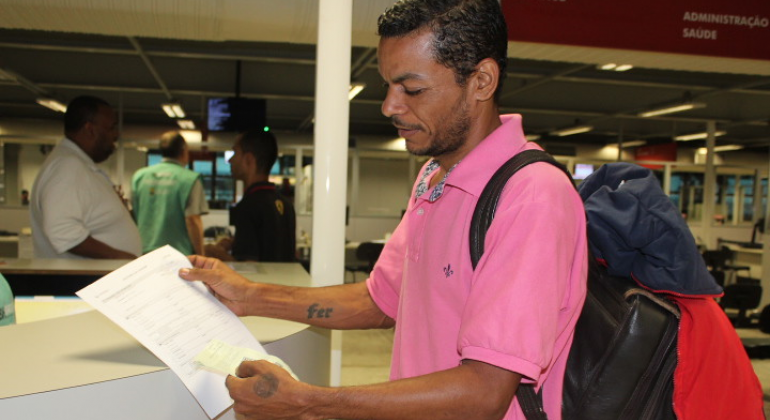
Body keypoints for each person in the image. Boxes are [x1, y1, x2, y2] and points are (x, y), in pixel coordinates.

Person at [180, 1, 588, 419]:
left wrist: (310, 403)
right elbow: (380, 301)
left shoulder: (532, 196)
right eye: (388, 85)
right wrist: (249, 296)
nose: (390, 106)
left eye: (412, 89)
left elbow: (485, 392)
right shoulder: (434, 175)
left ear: (481, 81)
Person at [30, 95, 141, 259]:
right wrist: (125, 259)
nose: (116, 134)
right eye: (111, 127)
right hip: (81, 280)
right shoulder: (67, 167)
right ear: (90, 129)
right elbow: (63, 232)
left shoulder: (79, 165)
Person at [205, 130, 296, 262]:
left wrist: (215, 253)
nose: (230, 160)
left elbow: (249, 269)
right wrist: (236, 242)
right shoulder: (285, 204)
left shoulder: (249, 206)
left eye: (235, 153)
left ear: (248, 160)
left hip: (263, 282)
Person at [131, 131, 209, 255]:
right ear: (184, 151)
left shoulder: (139, 176)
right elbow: (192, 220)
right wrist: (201, 256)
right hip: (177, 254)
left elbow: (135, 214)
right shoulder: (190, 179)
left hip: (144, 252)